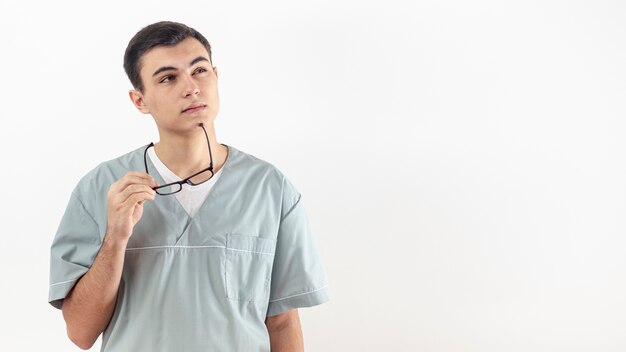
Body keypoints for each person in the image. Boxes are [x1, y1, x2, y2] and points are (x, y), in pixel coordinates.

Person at [48, 20, 331, 351]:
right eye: (168, 78)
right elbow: (80, 333)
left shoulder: (271, 189)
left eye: (199, 71)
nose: (191, 87)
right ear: (140, 101)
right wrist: (116, 239)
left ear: (216, 77)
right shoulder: (101, 189)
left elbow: (282, 322)